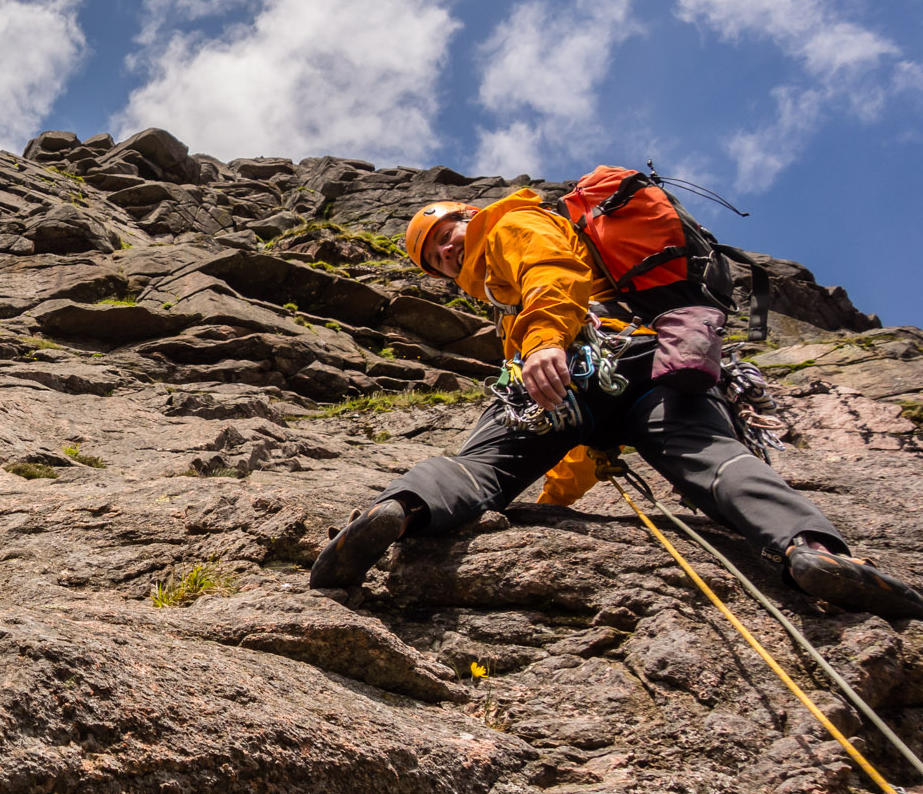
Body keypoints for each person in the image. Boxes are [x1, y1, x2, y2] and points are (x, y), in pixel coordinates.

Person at [307, 187, 923, 621]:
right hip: (646, 372)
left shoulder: (512, 226)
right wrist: (558, 496)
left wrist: (544, 340)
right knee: (712, 460)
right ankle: (808, 551)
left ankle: (404, 508)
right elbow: (586, 432)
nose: (447, 251)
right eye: (435, 256)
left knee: (479, 466)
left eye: (448, 234)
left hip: (584, 358)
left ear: (472, 216)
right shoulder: (499, 293)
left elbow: (553, 272)